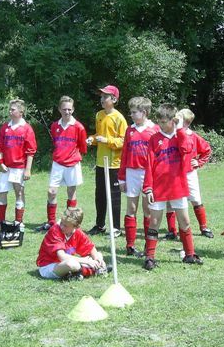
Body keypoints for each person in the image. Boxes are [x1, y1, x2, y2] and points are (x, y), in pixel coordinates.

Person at [142, 104, 204, 270]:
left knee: (184, 221)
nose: (162, 125)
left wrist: (180, 129)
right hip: (158, 187)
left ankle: (189, 254)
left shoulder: (180, 136)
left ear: (173, 120)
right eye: (160, 121)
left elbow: (187, 149)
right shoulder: (154, 139)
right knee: (154, 222)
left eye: (165, 122)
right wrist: (148, 188)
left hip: (178, 186)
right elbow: (148, 164)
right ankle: (149, 257)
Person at [37, 96, 88, 232]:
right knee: (51, 192)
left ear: (73, 109)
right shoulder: (55, 126)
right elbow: (56, 142)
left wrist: (73, 156)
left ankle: (69, 223)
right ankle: (52, 223)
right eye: (64, 109)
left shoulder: (79, 127)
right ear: (59, 109)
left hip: (72, 164)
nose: (67, 112)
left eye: (70, 109)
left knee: (71, 193)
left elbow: (83, 147)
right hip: (58, 163)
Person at [164, 108, 214, 239]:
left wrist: (199, 162)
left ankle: (204, 227)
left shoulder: (193, 136)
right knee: (170, 202)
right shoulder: (171, 135)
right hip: (173, 173)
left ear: (186, 122)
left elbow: (207, 150)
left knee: (196, 199)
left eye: (178, 119)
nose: (175, 121)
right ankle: (172, 230)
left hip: (189, 173)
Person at [118, 96, 159, 257]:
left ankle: (148, 246)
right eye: (131, 112)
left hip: (148, 173)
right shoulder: (130, 130)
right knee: (131, 209)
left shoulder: (154, 129)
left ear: (144, 112)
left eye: (135, 112)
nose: (132, 115)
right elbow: (124, 154)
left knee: (147, 209)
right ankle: (130, 245)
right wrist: (121, 178)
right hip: (132, 172)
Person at [86, 85, 128, 237]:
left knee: (114, 196)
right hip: (100, 163)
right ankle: (100, 225)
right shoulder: (99, 115)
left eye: (105, 96)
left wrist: (107, 140)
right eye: (101, 96)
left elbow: (124, 141)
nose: (102, 99)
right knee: (100, 195)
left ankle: (116, 228)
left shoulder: (119, 118)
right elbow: (99, 135)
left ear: (114, 99)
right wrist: (92, 139)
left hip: (114, 164)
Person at [0, 99, 37, 224]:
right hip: (5, 168)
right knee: (1, 192)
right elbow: (0, 146)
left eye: (13, 109)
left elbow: (31, 151)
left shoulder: (27, 129)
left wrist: (28, 170)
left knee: (19, 193)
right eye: (10, 109)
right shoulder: (5, 127)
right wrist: (1, 162)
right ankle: (0, 222)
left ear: (21, 112)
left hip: (19, 167)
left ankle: (18, 221)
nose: (10, 111)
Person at [36, 208, 109, 280]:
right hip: (49, 266)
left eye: (65, 226)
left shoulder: (77, 232)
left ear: (76, 227)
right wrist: (87, 261)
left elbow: (91, 248)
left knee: (99, 255)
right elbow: (62, 257)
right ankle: (90, 271)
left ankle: (81, 272)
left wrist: (97, 260)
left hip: (65, 262)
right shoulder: (55, 230)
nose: (62, 226)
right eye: (61, 223)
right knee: (72, 264)